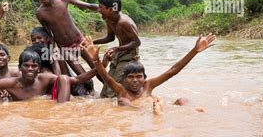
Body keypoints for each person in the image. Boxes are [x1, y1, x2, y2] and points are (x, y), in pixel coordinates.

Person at [81, 34, 216, 113]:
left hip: (158, 110)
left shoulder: (148, 85)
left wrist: (194, 51)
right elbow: (107, 77)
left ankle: (193, 114)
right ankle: (151, 113)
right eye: (130, 77)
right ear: (123, 79)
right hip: (145, 112)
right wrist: (95, 59)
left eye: (139, 77)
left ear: (144, 78)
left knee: (183, 100)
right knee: (122, 101)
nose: (135, 80)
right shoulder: (121, 90)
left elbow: (173, 71)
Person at [0, 50, 98, 103]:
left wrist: (100, 64)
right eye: (26, 66)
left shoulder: (44, 79)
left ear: (38, 69)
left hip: (50, 106)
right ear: (20, 68)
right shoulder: (11, 83)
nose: (30, 69)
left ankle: (62, 112)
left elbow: (77, 79)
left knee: (63, 78)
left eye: (34, 66)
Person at [32, 0, 98, 76]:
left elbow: (88, 5)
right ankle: (90, 90)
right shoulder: (40, 13)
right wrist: (51, 52)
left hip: (80, 42)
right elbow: (49, 34)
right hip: (65, 48)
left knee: (96, 68)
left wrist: (103, 8)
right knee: (83, 76)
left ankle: (110, 90)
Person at [93, 0, 141, 98]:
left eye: (101, 7)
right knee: (107, 86)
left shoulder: (123, 22)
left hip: (129, 56)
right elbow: (110, 37)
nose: (98, 10)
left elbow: (137, 42)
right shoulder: (109, 19)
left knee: (113, 91)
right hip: (118, 55)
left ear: (110, 9)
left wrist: (116, 48)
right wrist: (92, 42)